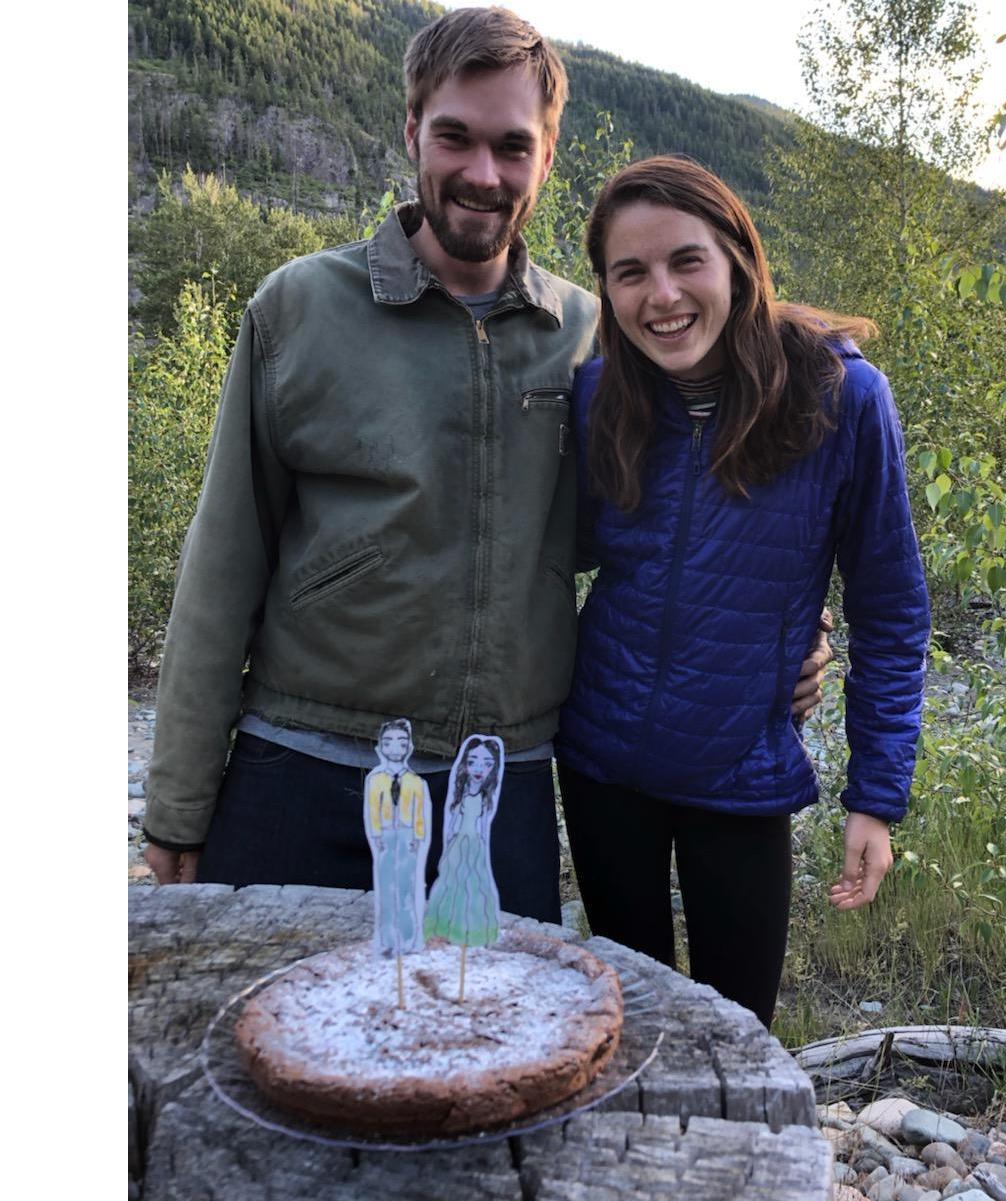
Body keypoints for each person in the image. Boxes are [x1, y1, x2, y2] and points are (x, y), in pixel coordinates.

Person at [141, 7, 832, 917]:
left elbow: (675, 531)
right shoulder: (300, 309)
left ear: (547, 158)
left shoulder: (596, 336)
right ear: (410, 132)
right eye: (454, 137)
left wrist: (781, 636)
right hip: (298, 767)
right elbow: (219, 570)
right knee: (262, 1052)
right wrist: (179, 808)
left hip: (496, 787)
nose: (481, 173)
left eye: (513, 146)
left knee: (490, 1056)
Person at [554, 157, 930, 1028]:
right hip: (602, 760)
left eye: (686, 260)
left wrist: (875, 796)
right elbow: (556, 556)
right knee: (627, 1020)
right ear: (606, 290)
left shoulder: (838, 398)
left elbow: (891, 607)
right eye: (630, 272)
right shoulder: (597, 393)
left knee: (735, 1033)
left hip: (742, 770)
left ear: (736, 258)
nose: (662, 295)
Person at [424, 736, 504, 946]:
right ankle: (444, 929)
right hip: (458, 843)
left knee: (475, 886)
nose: (479, 769)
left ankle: (474, 933)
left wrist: (483, 844)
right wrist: (450, 840)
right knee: (451, 883)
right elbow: (453, 822)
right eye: (472, 762)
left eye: (487, 764)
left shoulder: (486, 797)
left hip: (475, 845)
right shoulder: (461, 794)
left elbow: (484, 823)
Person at [364, 719, 432, 956]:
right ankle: (387, 941)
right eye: (388, 743)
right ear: (380, 747)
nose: (394, 749)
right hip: (385, 835)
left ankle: (408, 939)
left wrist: (418, 837)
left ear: (409, 748)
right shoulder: (375, 780)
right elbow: (373, 808)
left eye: (401, 744)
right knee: (385, 887)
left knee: (406, 888)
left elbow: (420, 812)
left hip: (406, 836)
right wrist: (376, 833)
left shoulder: (415, 782)